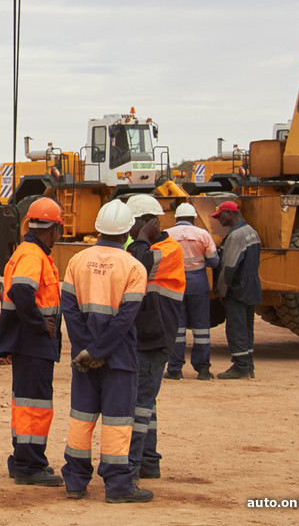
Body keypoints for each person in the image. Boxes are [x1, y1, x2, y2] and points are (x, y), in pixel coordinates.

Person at [60, 199, 152, 503]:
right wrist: (100, 351)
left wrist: (86, 350)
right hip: (120, 358)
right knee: (117, 423)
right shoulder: (134, 267)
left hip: (83, 359)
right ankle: (118, 487)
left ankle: (74, 483)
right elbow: (126, 318)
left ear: (98, 227)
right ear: (127, 231)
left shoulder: (77, 261)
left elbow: (70, 312)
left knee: (81, 420)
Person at [0, 197, 65, 487]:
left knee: (27, 403)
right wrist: (39, 323)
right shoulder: (33, 255)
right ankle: (28, 464)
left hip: (30, 342)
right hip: (33, 341)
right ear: (55, 229)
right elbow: (22, 290)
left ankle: (24, 459)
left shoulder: (30, 252)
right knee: (34, 404)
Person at [124, 194, 185, 483]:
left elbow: (138, 265)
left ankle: (132, 469)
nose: (129, 230)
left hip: (154, 336)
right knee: (147, 405)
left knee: (138, 405)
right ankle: (149, 462)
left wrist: (141, 238)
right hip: (147, 334)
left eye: (134, 223)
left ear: (151, 223)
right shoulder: (145, 245)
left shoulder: (167, 249)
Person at [164, 203, 220, 380]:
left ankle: (175, 369)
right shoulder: (202, 234)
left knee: (176, 328)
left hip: (175, 284)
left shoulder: (167, 235)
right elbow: (214, 261)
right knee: (201, 328)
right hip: (198, 285)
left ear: (176, 218)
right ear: (194, 217)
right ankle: (203, 369)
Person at [212, 200, 262, 379]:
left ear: (230, 213)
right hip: (251, 286)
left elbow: (229, 267)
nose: (219, 220)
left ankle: (240, 366)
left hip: (237, 289)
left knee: (236, 327)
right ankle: (248, 365)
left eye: (220, 216)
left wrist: (221, 290)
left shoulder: (235, 236)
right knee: (247, 327)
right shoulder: (251, 231)